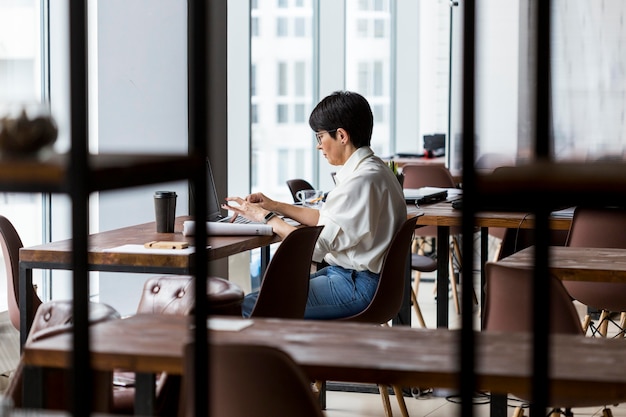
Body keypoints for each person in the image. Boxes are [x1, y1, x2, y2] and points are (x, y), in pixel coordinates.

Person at [223, 90, 407, 319]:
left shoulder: (360, 182)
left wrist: (265, 217)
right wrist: (274, 205)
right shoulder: (375, 170)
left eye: (320, 137)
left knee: (249, 306)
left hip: (357, 285)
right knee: (266, 294)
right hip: (358, 278)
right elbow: (326, 220)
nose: (319, 146)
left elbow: (314, 247)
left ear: (341, 135)